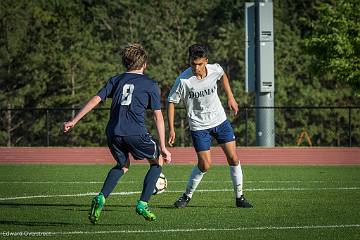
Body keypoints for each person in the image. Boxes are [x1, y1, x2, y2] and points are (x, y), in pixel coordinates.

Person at [63, 43, 171, 223]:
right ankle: (143, 203)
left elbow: (95, 100)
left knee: (123, 164)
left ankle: (101, 197)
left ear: (125, 63)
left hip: (113, 133)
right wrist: (163, 146)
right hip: (135, 132)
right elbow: (158, 117)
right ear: (144, 64)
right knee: (157, 161)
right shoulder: (150, 84)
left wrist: (74, 121)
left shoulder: (115, 80)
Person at [167, 44, 252, 208]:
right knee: (205, 164)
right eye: (193, 64)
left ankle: (239, 197)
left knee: (233, 158)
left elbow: (223, 76)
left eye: (199, 64)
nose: (196, 67)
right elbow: (171, 101)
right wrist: (171, 128)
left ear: (206, 61)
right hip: (198, 126)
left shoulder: (215, 69)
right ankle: (186, 196)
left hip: (220, 121)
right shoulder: (183, 80)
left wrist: (231, 97)